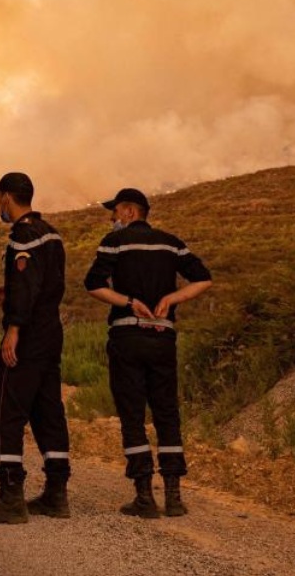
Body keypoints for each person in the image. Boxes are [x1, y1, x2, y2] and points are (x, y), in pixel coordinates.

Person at [84, 188, 212, 518]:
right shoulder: (171, 242)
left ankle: (144, 496)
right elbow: (203, 279)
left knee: (132, 415)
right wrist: (171, 299)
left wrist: (128, 302)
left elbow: (93, 284)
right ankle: (173, 496)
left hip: (127, 336)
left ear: (129, 211)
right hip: (162, 338)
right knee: (166, 412)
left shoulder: (114, 242)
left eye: (114, 212)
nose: (112, 218)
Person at [0, 172, 72, 525]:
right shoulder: (51, 233)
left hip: (27, 335)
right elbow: (44, 283)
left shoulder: (23, 236)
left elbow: (28, 286)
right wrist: (10, 290)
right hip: (50, 331)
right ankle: (57, 494)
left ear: (7, 197)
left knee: (4, 413)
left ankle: (11, 497)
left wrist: (13, 330)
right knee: (47, 411)